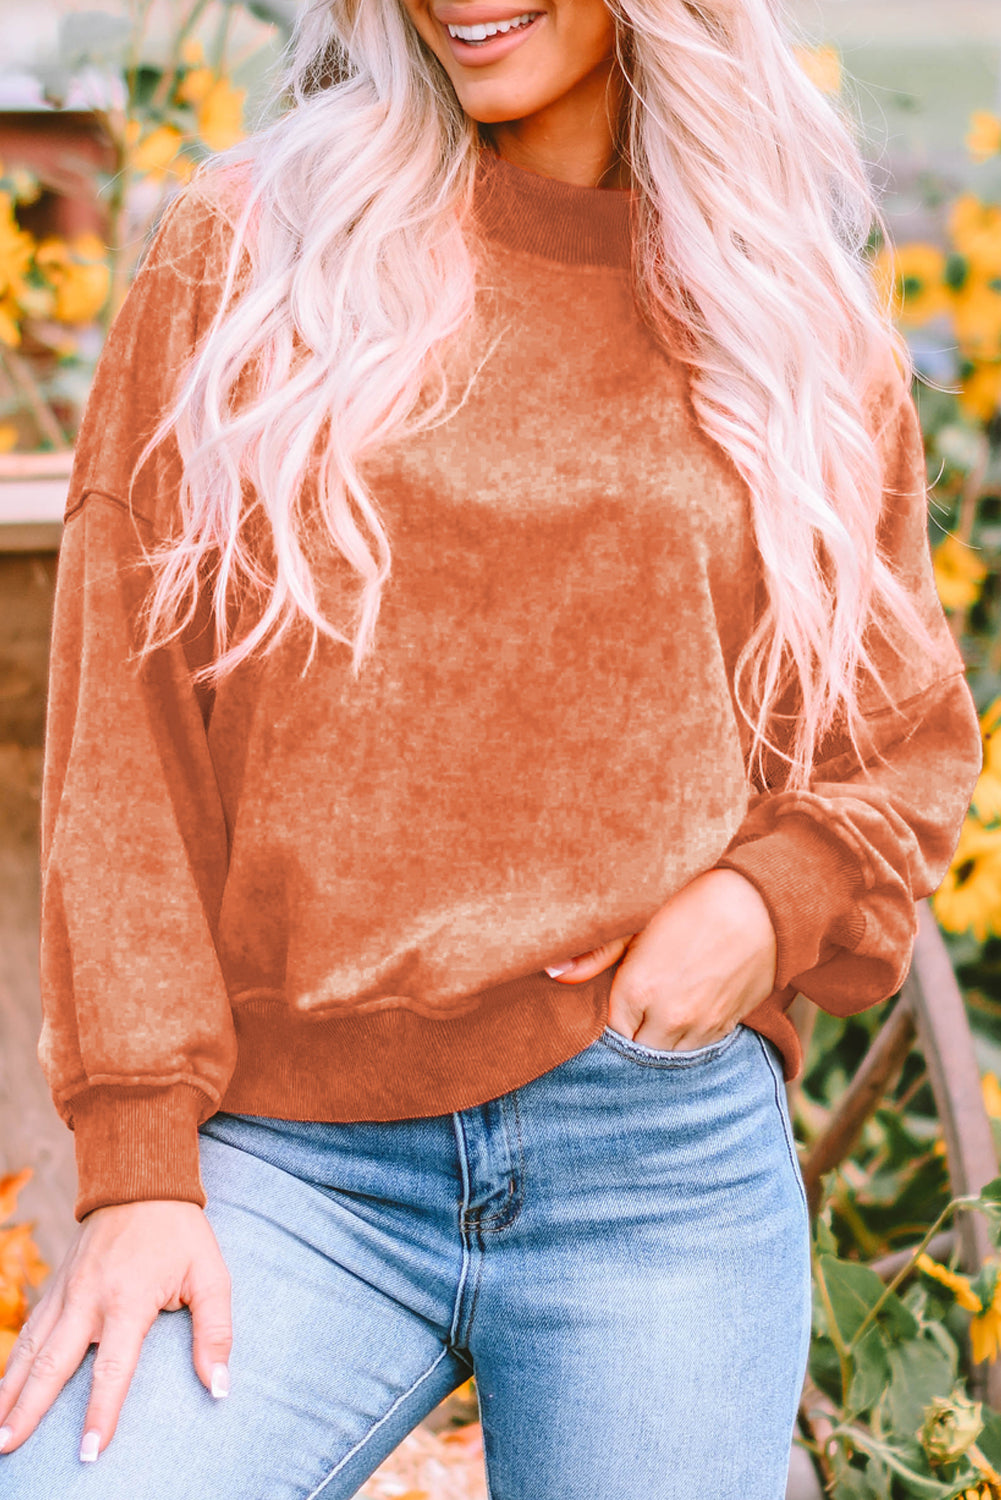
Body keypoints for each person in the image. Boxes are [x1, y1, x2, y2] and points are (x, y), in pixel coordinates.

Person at [0, 0, 984, 1493]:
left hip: (648, 1158)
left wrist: (758, 905)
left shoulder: (780, 306)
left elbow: (898, 737)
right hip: (295, 1157)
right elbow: (127, 725)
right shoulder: (251, 251)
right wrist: (137, 1169)